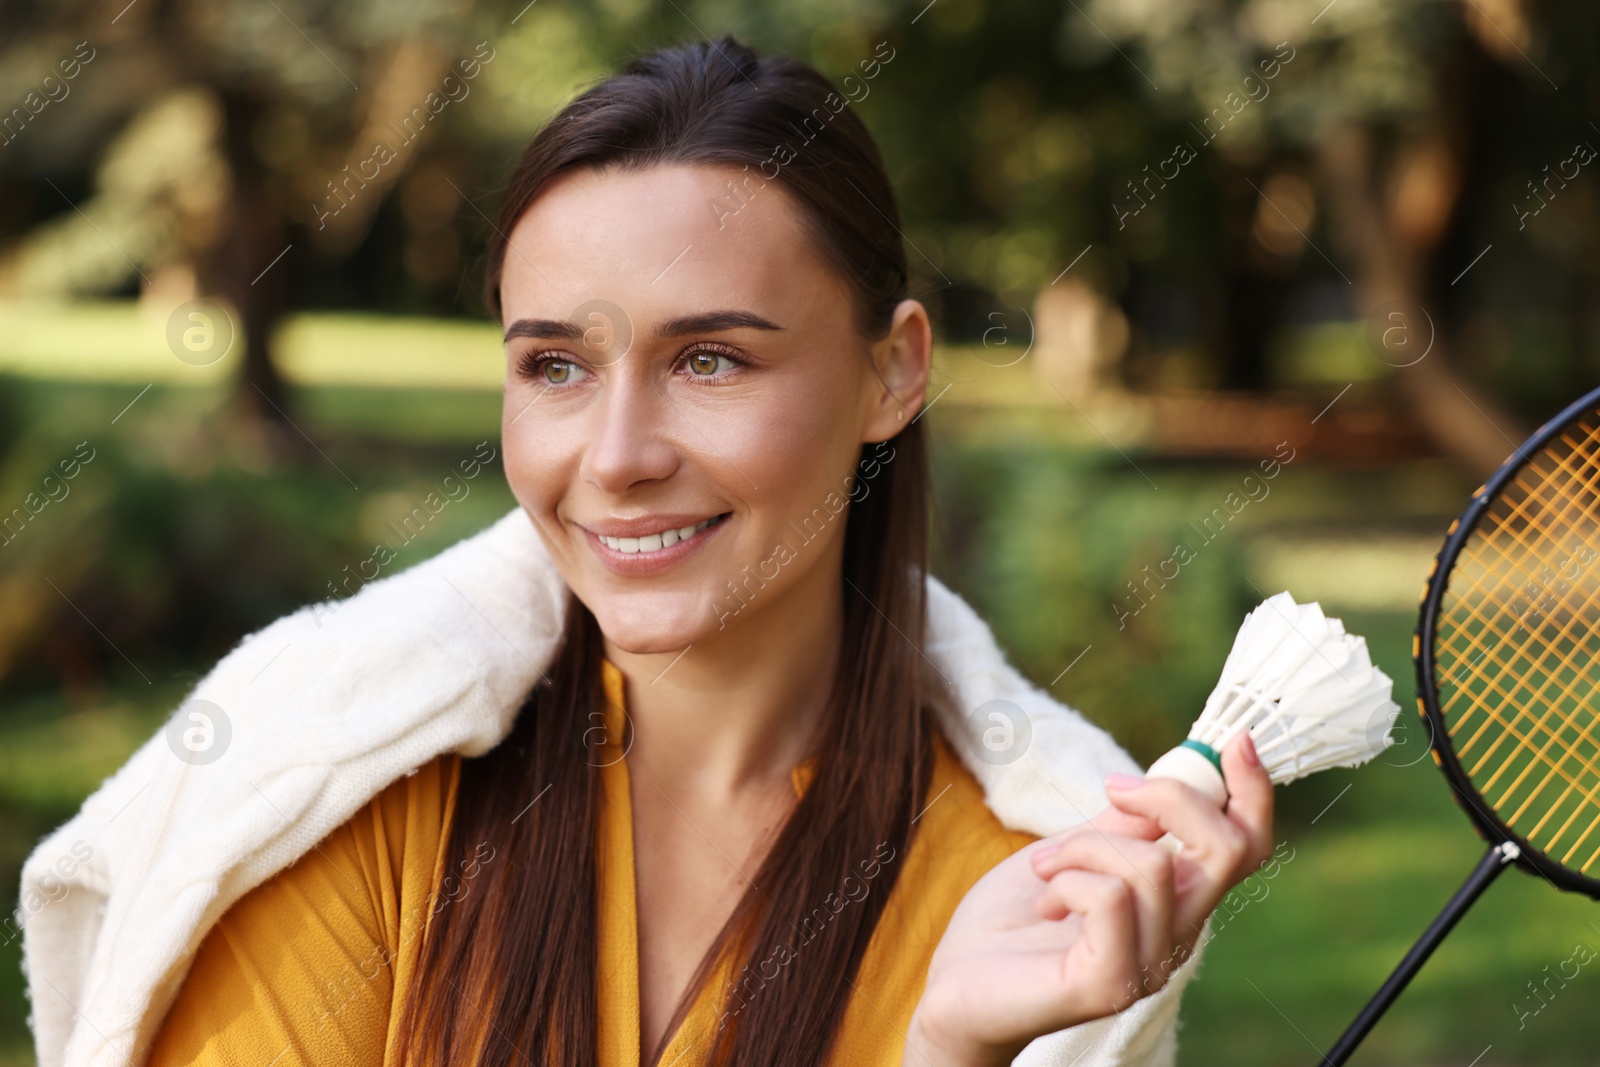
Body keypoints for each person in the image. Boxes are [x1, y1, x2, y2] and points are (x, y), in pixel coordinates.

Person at [32, 34, 1272, 1067]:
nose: (617, 454)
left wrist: (947, 1050)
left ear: (892, 370)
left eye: (710, 358)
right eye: (556, 366)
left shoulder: (1033, 883)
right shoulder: (338, 783)